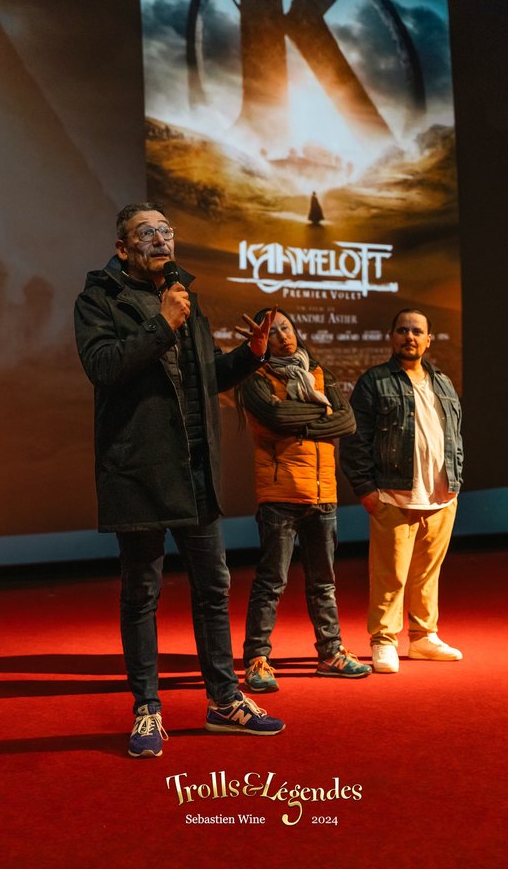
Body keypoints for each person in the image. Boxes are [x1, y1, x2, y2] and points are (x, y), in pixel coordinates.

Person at [74, 202, 285, 757]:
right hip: (138, 470)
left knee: (213, 590)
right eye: (147, 232)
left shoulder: (183, 295)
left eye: (166, 230)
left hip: (194, 469)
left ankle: (224, 700)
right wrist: (161, 322)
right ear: (123, 247)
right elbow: (104, 366)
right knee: (141, 592)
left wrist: (248, 358)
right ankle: (147, 710)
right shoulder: (100, 298)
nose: (161, 239)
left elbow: (200, 376)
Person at [236, 308, 372, 692]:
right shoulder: (255, 379)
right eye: (273, 331)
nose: (282, 335)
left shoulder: (317, 372)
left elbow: (347, 422)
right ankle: (257, 657)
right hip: (280, 495)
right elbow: (274, 418)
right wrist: (321, 413)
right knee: (271, 582)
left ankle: (331, 652)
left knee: (323, 582)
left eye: (286, 327)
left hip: (323, 494)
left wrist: (303, 420)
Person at [340, 309, 463, 673]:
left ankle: (423, 637)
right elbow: (355, 439)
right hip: (393, 495)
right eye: (402, 330)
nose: (409, 336)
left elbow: (455, 436)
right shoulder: (374, 382)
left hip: (442, 496)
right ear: (391, 336)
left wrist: (456, 481)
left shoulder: (443, 382)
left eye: (417, 331)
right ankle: (384, 639)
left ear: (428, 339)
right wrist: (366, 489)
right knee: (389, 572)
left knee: (427, 573)